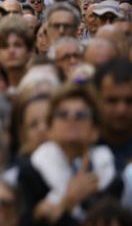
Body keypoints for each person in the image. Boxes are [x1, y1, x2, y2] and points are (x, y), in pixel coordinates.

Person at [17, 84, 125, 225]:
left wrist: (59, 211)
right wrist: (67, 202)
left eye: (81, 115)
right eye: (63, 114)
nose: (72, 119)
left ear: (95, 131)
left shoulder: (110, 175)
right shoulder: (30, 172)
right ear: (50, 129)